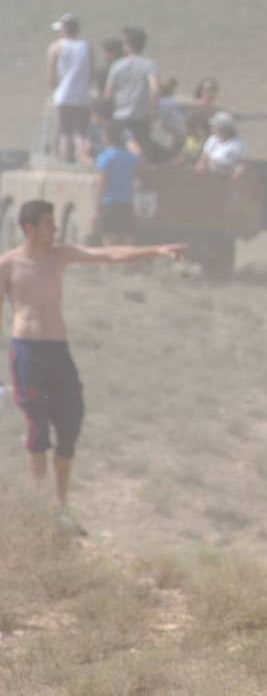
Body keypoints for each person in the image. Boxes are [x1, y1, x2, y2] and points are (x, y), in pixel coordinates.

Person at [0, 200, 184, 520]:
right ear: (29, 228)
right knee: (37, 429)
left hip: (58, 351)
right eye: (48, 224)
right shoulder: (9, 265)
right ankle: (39, 506)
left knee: (70, 424)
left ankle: (60, 505)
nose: (55, 230)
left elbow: (109, 255)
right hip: (26, 353)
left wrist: (156, 250)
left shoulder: (61, 256)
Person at [102, 25, 159, 158]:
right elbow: (154, 88)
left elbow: (108, 93)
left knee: (119, 150)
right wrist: (152, 111)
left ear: (127, 45)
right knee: (142, 149)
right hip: (140, 116)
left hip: (119, 116)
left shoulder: (117, 66)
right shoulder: (150, 65)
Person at [46, 13, 93, 163]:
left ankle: (64, 160)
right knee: (80, 131)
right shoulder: (86, 46)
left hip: (63, 94)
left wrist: (53, 89)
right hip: (82, 95)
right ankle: (81, 159)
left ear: (65, 29)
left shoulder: (56, 47)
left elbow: (51, 74)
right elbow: (91, 71)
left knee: (64, 131)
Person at [94, 123, 140, 246]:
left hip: (109, 204)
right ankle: (131, 265)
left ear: (107, 137)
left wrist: (96, 209)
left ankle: (109, 265)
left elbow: (101, 184)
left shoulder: (105, 158)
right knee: (128, 241)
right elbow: (139, 156)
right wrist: (130, 139)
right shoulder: (130, 158)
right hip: (126, 204)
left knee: (109, 242)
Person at [195, 111, 248, 177]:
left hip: (228, 176)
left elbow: (242, 163)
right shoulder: (212, 139)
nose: (212, 128)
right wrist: (201, 166)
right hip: (210, 175)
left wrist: (236, 176)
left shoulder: (238, 144)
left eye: (214, 126)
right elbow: (204, 157)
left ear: (222, 128)